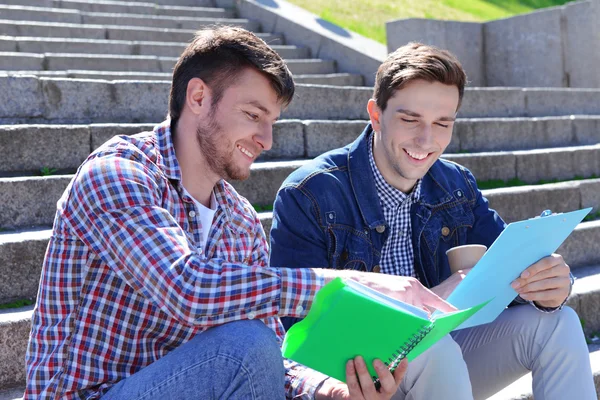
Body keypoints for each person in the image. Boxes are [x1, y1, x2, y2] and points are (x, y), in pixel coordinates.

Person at [23, 27, 455, 400]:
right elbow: (186, 288)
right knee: (242, 347)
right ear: (197, 97)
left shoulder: (240, 219)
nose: (266, 138)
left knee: (256, 344)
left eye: (273, 122)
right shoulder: (118, 174)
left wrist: (333, 391)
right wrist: (344, 283)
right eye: (253, 115)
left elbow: (275, 351)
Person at [270, 42, 596, 399]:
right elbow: (293, 328)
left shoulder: (456, 185)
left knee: (557, 322)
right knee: (431, 345)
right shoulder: (310, 193)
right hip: (355, 378)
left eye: (442, 123)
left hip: (441, 365)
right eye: (410, 119)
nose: (426, 140)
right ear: (376, 114)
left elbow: (508, 275)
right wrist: (422, 305)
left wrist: (546, 288)